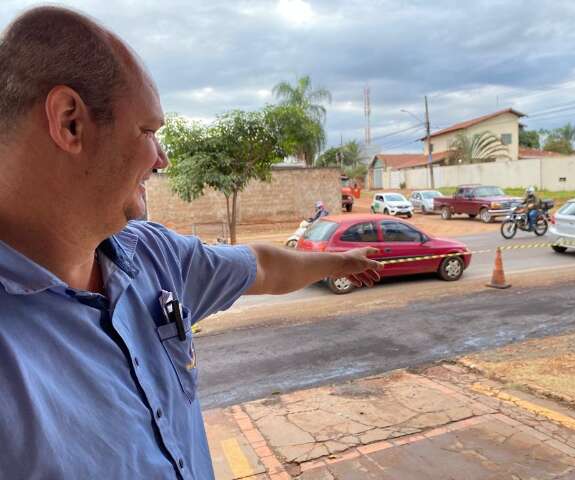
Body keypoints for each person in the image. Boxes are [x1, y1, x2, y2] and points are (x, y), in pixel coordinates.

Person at [0, 7, 382, 479]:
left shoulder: (152, 257)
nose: (161, 159)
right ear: (70, 122)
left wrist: (336, 263)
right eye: (148, 132)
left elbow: (260, 266)